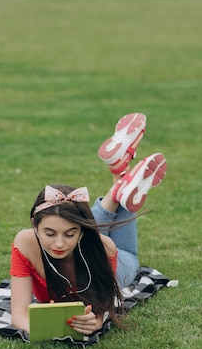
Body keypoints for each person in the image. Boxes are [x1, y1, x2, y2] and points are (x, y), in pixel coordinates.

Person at [9, 113, 167, 337]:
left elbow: (101, 311)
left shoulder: (106, 248)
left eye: (71, 234)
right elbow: (19, 315)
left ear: (81, 231)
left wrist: (96, 321)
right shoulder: (25, 242)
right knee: (79, 217)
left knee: (121, 249)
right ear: (35, 225)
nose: (60, 244)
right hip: (90, 240)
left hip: (120, 261)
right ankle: (119, 184)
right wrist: (46, 329)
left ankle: (119, 184)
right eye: (49, 233)